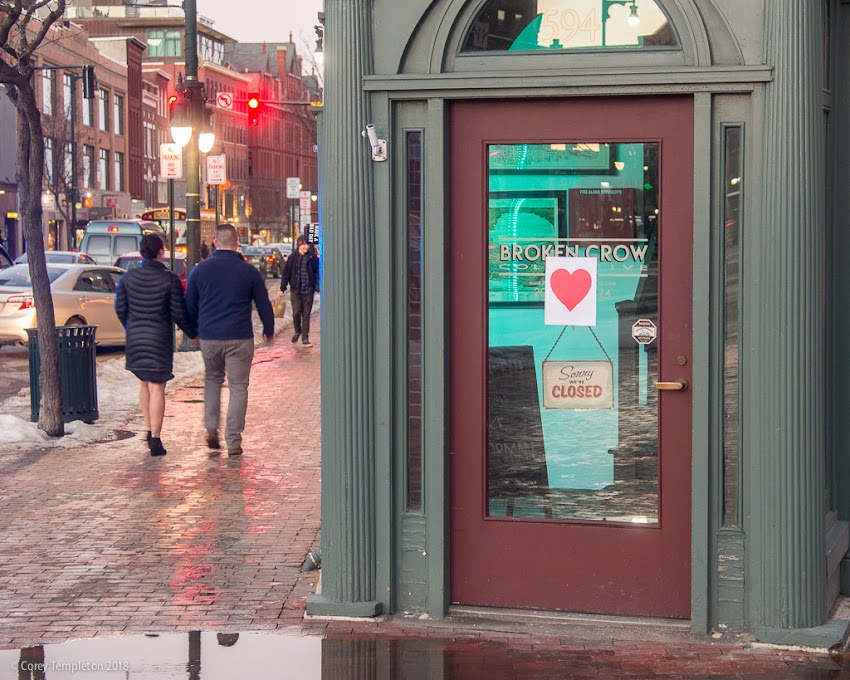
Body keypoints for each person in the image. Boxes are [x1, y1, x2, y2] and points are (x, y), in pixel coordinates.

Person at [185, 223, 275, 456]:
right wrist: (269, 328)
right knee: (238, 387)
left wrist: (193, 331)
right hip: (239, 336)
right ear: (237, 244)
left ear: (215, 242)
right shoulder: (248, 272)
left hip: (210, 336)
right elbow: (263, 303)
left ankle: (211, 426)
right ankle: (233, 440)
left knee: (213, 380)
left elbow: (189, 304)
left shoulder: (200, 270)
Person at [115, 233, 196, 457]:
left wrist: (132, 327)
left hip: (136, 340)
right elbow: (178, 312)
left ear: (142, 252)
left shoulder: (128, 278)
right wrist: (192, 333)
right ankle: (156, 439)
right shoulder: (169, 280)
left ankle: (148, 428)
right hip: (159, 340)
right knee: (157, 387)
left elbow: (120, 308)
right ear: (161, 252)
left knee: (144, 384)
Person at [279, 235, 319, 348]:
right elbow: (286, 273)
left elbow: (316, 273)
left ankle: (305, 338)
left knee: (306, 315)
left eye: (307, 245)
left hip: (308, 290)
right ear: (299, 245)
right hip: (296, 290)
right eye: (304, 245)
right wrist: (283, 288)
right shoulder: (293, 258)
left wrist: (316, 286)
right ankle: (298, 331)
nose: (306, 247)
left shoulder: (312, 258)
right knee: (296, 312)